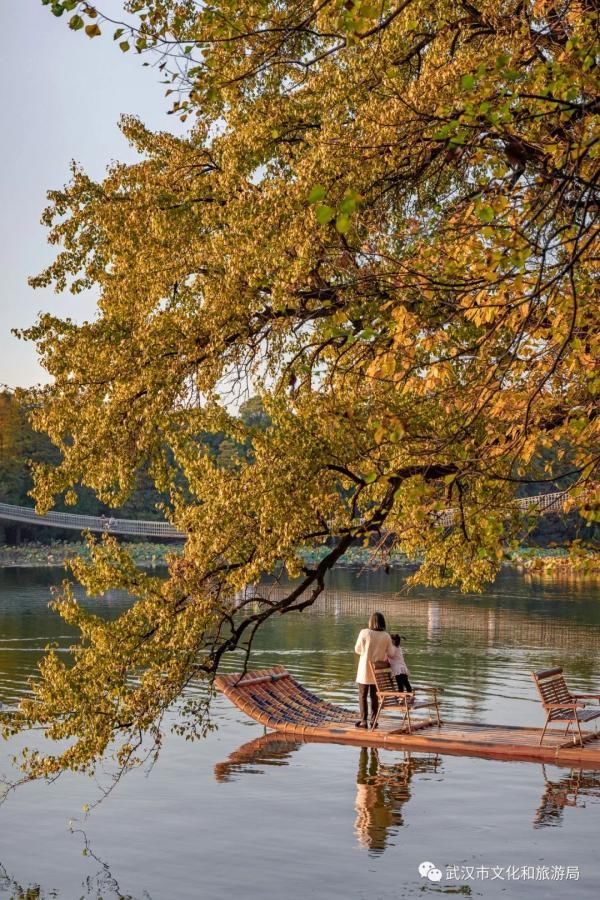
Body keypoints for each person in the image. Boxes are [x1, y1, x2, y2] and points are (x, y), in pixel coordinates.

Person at [354, 612, 394, 729]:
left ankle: (363, 721)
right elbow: (391, 653)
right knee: (374, 696)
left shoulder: (364, 632)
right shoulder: (386, 636)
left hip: (364, 670)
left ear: (371, 621)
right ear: (383, 622)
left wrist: (366, 652)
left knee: (362, 695)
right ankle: (373, 721)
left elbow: (357, 649)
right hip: (378, 672)